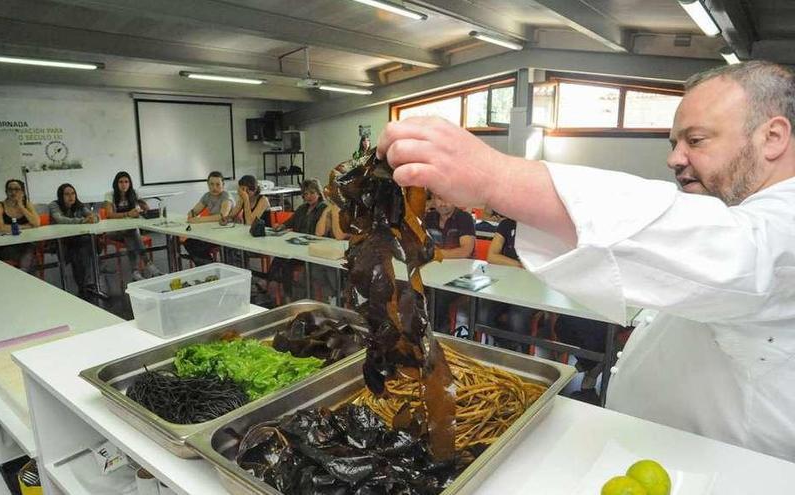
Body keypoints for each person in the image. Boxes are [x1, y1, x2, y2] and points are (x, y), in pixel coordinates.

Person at [377, 61, 795, 460]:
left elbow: (735, 253)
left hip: (732, 469)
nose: (674, 158)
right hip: (656, 449)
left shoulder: (781, 224)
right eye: (674, 143)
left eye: (696, 140)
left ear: (772, 137)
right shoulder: (741, 209)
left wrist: (496, 178)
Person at [268, 179, 328, 302]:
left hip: (313, 248)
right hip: (298, 245)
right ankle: (274, 286)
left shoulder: (324, 208)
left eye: (312, 193)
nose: (309, 196)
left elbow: (321, 233)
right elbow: (289, 222)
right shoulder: (302, 208)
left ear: (318, 193)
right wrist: (280, 226)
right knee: (280, 257)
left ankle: (285, 293)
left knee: (286, 263)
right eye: (306, 194)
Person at [49, 183, 106, 301]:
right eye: (67, 194)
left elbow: (96, 216)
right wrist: (82, 221)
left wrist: (93, 218)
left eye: (73, 193)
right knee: (82, 248)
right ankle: (86, 284)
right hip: (62, 242)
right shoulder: (54, 205)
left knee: (85, 245)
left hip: (79, 241)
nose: (71, 197)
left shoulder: (79, 205)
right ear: (61, 196)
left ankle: (86, 284)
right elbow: (60, 219)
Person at [103, 171, 162, 280]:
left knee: (131, 233)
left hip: (130, 231)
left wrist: (143, 207)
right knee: (133, 232)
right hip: (114, 231)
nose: (124, 184)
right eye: (121, 182)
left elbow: (145, 207)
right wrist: (128, 214)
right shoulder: (110, 195)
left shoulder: (133, 193)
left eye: (126, 182)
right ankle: (148, 264)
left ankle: (135, 271)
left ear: (130, 183)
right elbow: (109, 214)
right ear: (116, 183)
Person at [183, 171, 234, 266]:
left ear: (223, 185)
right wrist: (191, 213)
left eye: (218, 184)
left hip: (227, 233)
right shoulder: (207, 196)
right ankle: (208, 267)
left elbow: (222, 216)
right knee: (189, 243)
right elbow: (195, 210)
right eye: (211, 184)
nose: (214, 188)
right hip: (211, 231)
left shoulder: (226, 196)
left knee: (198, 247)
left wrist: (198, 220)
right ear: (207, 184)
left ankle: (208, 268)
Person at [0, 179, 40, 271]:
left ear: (22, 192)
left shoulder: (26, 204)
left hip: (26, 242)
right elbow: (1, 228)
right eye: (10, 189)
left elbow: (36, 223)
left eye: (17, 189)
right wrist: (26, 226)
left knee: (29, 252)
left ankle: (25, 275)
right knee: (27, 257)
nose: (13, 192)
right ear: (6, 192)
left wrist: (21, 207)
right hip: (6, 244)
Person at [424, 194, 475, 259]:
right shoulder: (428, 217)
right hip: (435, 265)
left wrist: (433, 254)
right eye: (439, 199)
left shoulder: (465, 218)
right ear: (433, 199)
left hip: (460, 266)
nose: (443, 204)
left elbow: (465, 251)